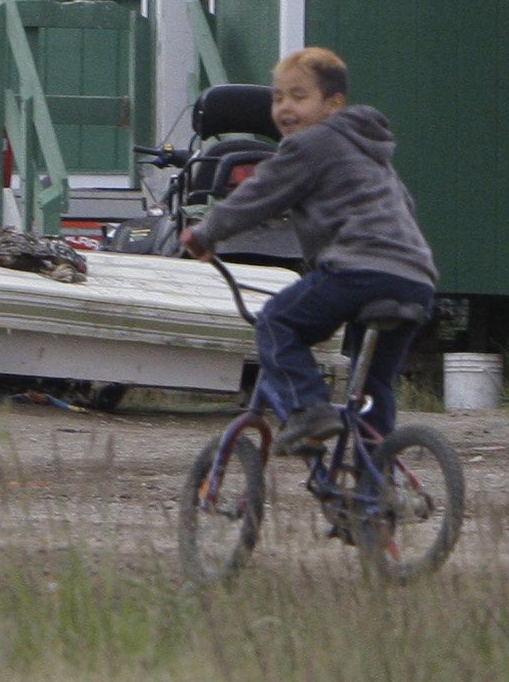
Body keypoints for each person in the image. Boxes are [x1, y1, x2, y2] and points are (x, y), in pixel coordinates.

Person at [183, 46, 440, 452]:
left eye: (299, 96)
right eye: (278, 97)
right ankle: (373, 496)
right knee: (372, 386)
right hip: (414, 278)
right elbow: (405, 206)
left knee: (275, 323)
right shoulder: (371, 153)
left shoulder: (313, 143)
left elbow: (260, 193)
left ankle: (307, 410)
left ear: (333, 105)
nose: (285, 107)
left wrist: (205, 234)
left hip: (358, 270)